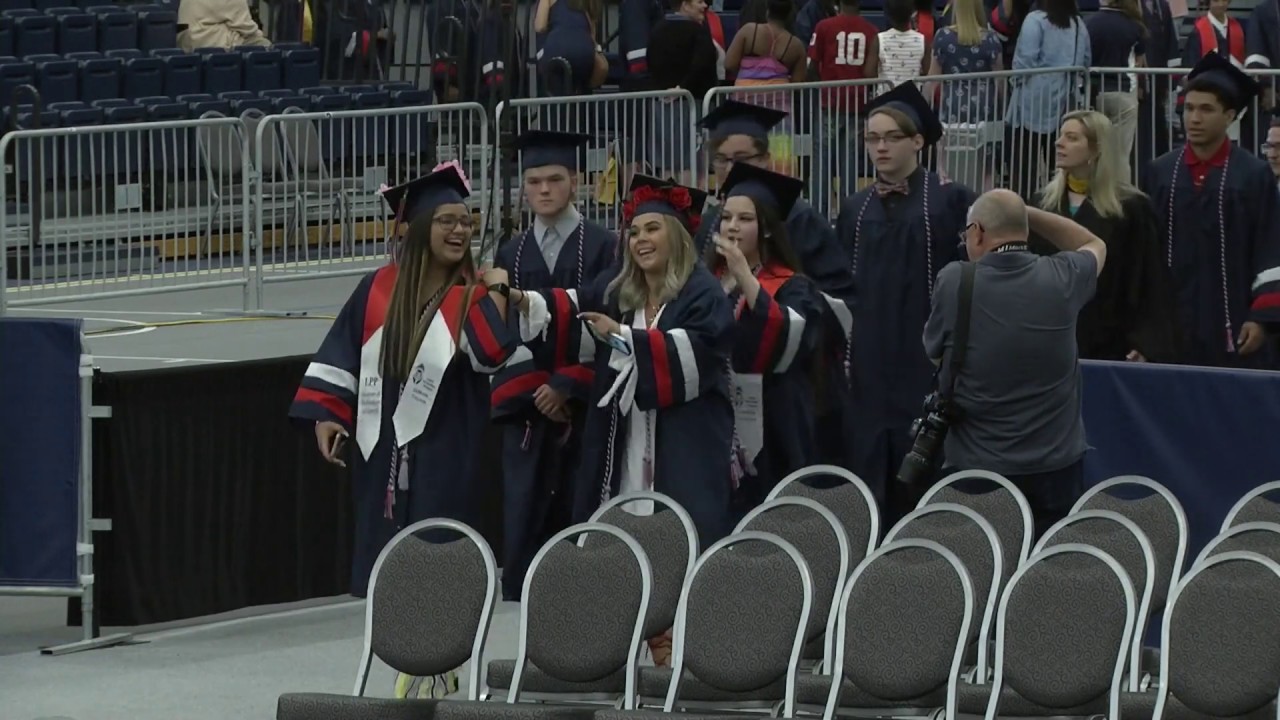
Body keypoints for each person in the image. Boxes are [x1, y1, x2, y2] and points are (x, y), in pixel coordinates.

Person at [289, 163, 516, 697]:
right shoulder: (378, 289)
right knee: (390, 546)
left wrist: (499, 291)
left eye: (465, 220)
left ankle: (437, 660)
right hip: (383, 446)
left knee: (442, 544)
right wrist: (329, 413)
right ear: (415, 229)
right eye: (445, 220)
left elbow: (491, 354)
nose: (459, 230)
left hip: (450, 444)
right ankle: (408, 654)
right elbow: (341, 351)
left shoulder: (472, 293)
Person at [504, 176, 733, 666]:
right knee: (623, 546)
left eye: (653, 228)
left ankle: (684, 663)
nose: (641, 239)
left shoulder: (701, 293)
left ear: (678, 236)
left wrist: (625, 341)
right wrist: (523, 300)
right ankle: (629, 661)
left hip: (684, 448)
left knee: (684, 547)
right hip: (625, 445)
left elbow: (700, 355)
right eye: (634, 231)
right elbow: (576, 310)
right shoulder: (622, 292)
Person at [927, 189, 1106, 539]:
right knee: (1046, 566)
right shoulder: (1064, 276)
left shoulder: (955, 280)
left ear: (978, 232)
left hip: (976, 468)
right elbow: (1093, 243)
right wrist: (1026, 214)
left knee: (977, 563)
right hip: (1055, 468)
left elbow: (935, 354)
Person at [837, 81, 974, 519]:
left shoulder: (951, 200)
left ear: (918, 142)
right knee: (868, 462)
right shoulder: (855, 208)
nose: (880, 147)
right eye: (872, 138)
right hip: (870, 360)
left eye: (892, 137)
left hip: (924, 354)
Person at [695, 100, 856, 469]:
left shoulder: (800, 219)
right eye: (722, 159)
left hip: (789, 386)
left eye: (742, 159)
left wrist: (777, 302)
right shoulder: (710, 222)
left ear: (766, 160)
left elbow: (838, 303)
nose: (731, 168)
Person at [490, 131, 616, 601]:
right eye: (534, 181)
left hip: (586, 399)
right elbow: (502, 331)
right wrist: (537, 390)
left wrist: (567, 384)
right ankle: (524, 589)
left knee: (581, 493)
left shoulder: (605, 246)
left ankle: (583, 591)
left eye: (555, 179)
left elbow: (613, 321)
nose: (544, 189)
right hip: (530, 405)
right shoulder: (510, 253)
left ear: (576, 182)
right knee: (525, 499)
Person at [1143, 52, 1280, 368]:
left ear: (1229, 116)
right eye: (1189, 108)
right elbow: (1146, 252)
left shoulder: (1253, 176)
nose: (1194, 119)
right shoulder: (1161, 172)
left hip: (1234, 322)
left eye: (1206, 109)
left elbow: (1270, 250)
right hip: (1172, 322)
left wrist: (1261, 318)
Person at [706, 162, 825, 517]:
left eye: (745, 219)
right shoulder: (707, 282)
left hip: (776, 419)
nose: (732, 226)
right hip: (719, 417)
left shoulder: (792, 285)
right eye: (727, 217)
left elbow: (792, 340)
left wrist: (745, 276)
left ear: (768, 229)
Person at [1030, 110, 1179, 362]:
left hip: (1109, 340)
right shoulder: (1042, 205)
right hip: (1049, 338)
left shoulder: (1131, 209)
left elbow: (1149, 279)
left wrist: (1145, 342)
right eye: (1060, 136)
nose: (1058, 143)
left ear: (1096, 149)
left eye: (1071, 138)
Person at [1005, 0, 1091, 199]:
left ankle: (1024, 210)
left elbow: (1024, 61)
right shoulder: (1078, 23)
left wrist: (1014, 82)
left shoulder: (1034, 20)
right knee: (1061, 168)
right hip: (1064, 104)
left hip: (1031, 103)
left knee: (1024, 169)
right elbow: (1085, 60)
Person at [808, 0, 881, 215]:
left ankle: (819, 213)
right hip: (856, 103)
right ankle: (849, 214)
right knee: (849, 162)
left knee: (822, 160)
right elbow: (871, 72)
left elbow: (812, 64)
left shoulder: (824, 26)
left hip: (829, 101)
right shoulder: (871, 30)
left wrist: (820, 87)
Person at [647, 0, 721, 183]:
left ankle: (668, 200)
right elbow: (703, 63)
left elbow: (650, 62)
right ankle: (690, 200)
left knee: (667, 162)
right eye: (699, 1)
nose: (705, 5)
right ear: (685, 5)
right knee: (691, 160)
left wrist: (667, 90)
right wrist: (683, 88)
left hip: (662, 105)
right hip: (693, 104)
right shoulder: (699, 31)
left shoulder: (657, 29)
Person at [1085, 0, 1146, 182]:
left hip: (1094, 92)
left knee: (1093, 150)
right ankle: (1121, 193)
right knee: (1120, 154)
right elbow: (1139, 62)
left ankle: (1093, 190)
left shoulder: (1089, 23)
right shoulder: (1135, 25)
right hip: (1123, 93)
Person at [534, 0, 608, 94]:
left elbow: (540, 26)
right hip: (584, 52)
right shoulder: (585, 3)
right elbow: (592, 34)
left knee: (554, 83)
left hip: (557, 49)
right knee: (582, 85)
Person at [878, 0, 929, 88]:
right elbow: (928, 71)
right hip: (912, 94)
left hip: (886, 94)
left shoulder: (880, 39)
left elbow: (869, 72)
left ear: (888, 14)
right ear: (912, 13)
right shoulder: (922, 40)